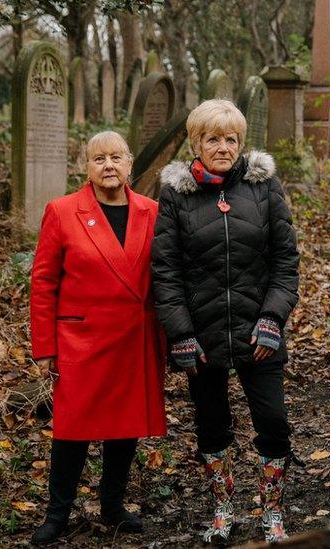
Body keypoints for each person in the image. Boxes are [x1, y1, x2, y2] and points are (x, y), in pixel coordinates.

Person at [152, 99, 299, 544]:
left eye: (230, 138)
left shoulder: (264, 187)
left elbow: (285, 261)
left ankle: (271, 511)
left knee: (273, 422)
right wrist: (179, 333)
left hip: (260, 332)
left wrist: (273, 317)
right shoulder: (176, 196)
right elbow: (166, 270)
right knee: (211, 424)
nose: (222, 147)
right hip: (202, 335)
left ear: (240, 142)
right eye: (212, 139)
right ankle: (223, 508)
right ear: (196, 143)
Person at [29, 131, 167, 545]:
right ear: (86, 167)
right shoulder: (63, 211)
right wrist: (44, 347)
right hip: (80, 339)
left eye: (116, 157)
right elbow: (42, 282)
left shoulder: (153, 211)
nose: (108, 166)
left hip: (134, 338)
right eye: (98, 158)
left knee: (125, 426)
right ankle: (57, 513)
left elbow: (167, 276)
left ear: (130, 164)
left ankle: (113, 506)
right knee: (72, 430)